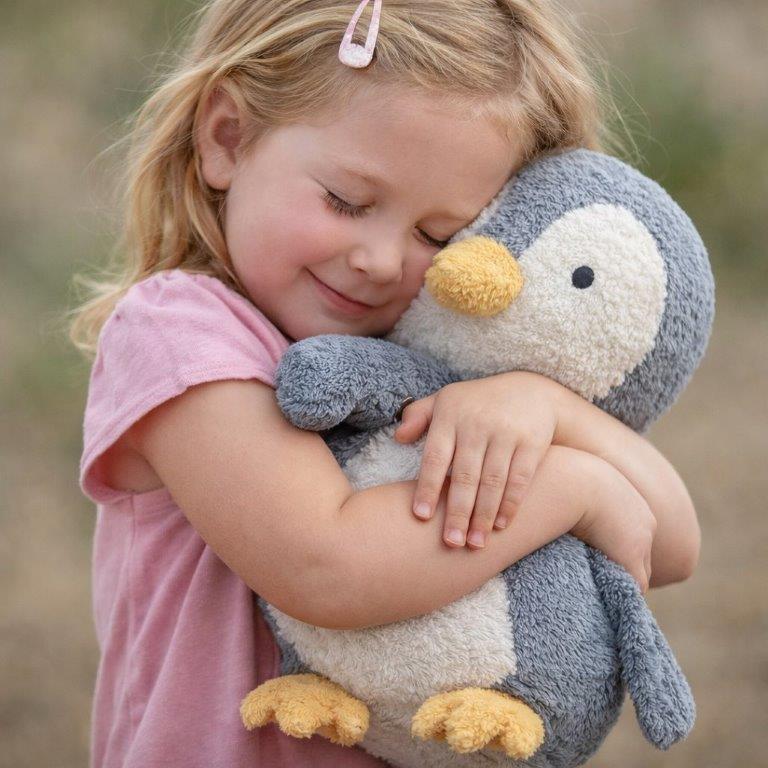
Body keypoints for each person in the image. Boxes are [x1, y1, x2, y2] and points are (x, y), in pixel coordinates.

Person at [70, 1, 701, 766]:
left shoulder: (437, 364)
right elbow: (325, 567)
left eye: (439, 235)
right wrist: (574, 488)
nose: (380, 259)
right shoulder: (181, 333)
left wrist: (548, 408)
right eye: (346, 201)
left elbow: (671, 544)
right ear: (226, 137)